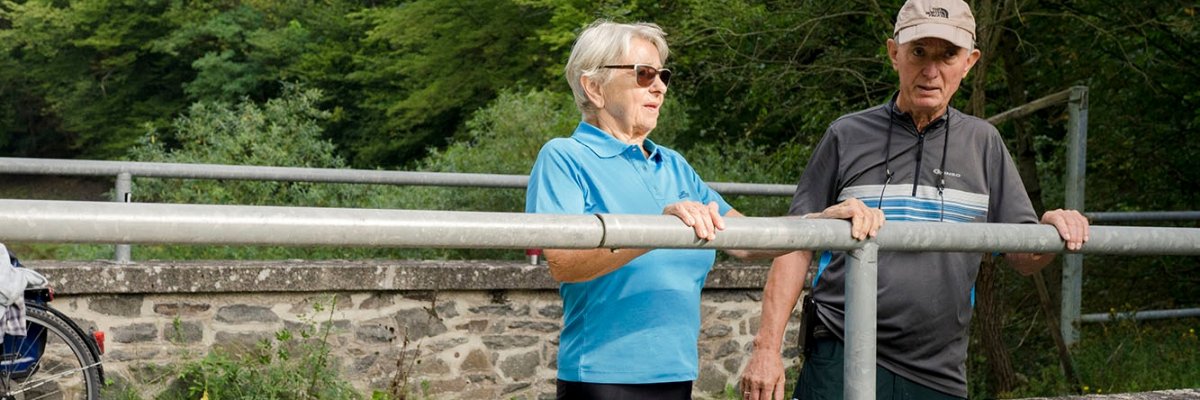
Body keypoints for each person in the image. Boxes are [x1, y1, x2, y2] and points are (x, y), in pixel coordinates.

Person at [739, 1, 1090, 399]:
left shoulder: (984, 143)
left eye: (948, 55)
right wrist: (766, 350)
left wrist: (1050, 233)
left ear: (970, 62)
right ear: (894, 53)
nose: (931, 71)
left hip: (937, 370)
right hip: (840, 349)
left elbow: (1024, 258)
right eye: (919, 52)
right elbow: (794, 245)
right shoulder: (846, 134)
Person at [526, 20, 884, 400]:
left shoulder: (674, 165)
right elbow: (563, 261)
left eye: (662, 75)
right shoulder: (564, 157)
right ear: (594, 87)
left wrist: (819, 222)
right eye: (643, 74)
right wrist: (660, 230)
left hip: (676, 374)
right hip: (600, 378)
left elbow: (747, 242)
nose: (659, 86)